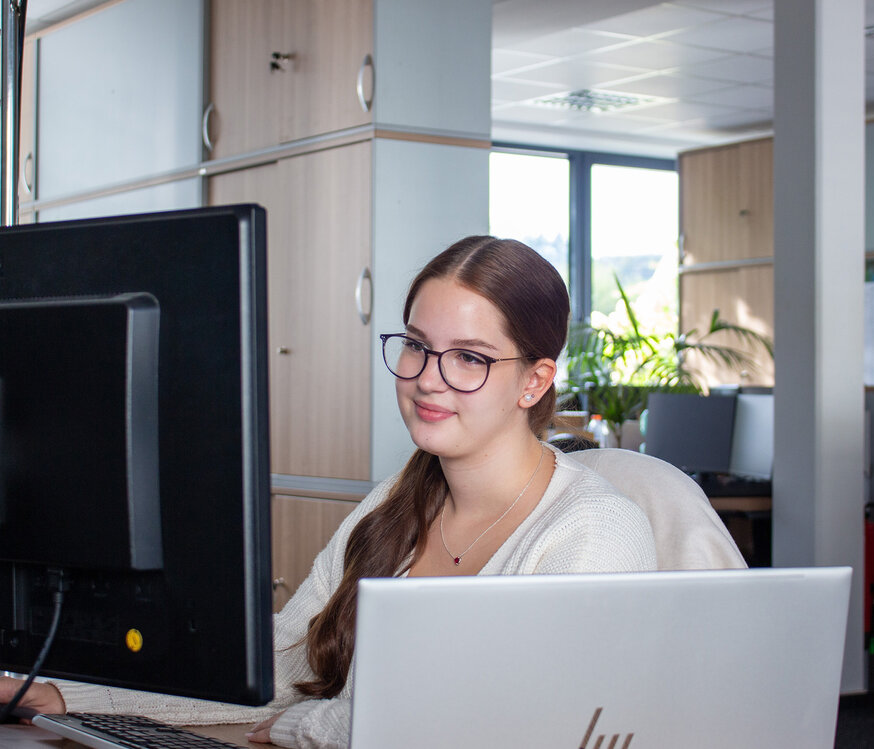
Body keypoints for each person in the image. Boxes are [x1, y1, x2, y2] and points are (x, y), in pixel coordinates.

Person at [0, 235, 657, 748]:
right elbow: (285, 665)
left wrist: (308, 725)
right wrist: (68, 695)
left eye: (469, 357)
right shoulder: (400, 499)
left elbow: (515, 730)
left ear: (534, 382)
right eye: (417, 346)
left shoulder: (596, 532)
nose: (427, 379)